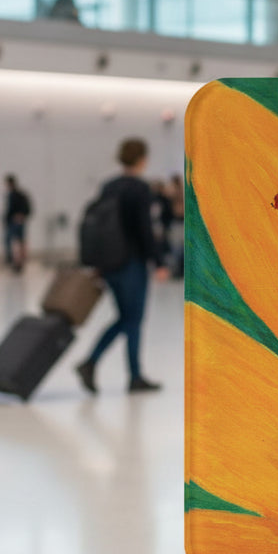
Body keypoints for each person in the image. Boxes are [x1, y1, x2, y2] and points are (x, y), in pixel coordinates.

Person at [76, 138, 169, 395]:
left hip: (110, 263)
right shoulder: (140, 188)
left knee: (126, 319)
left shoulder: (109, 186)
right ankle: (128, 374)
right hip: (132, 263)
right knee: (133, 320)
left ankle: (95, 364)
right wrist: (159, 261)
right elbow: (145, 230)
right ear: (142, 159)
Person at [2, 174, 32, 274]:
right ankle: (19, 263)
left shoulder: (15, 195)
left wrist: (17, 217)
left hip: (15, 223)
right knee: (19, 242)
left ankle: (17, 262)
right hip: (17, 222)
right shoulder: (19, 194)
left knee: (15, 243)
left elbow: (11, 210)